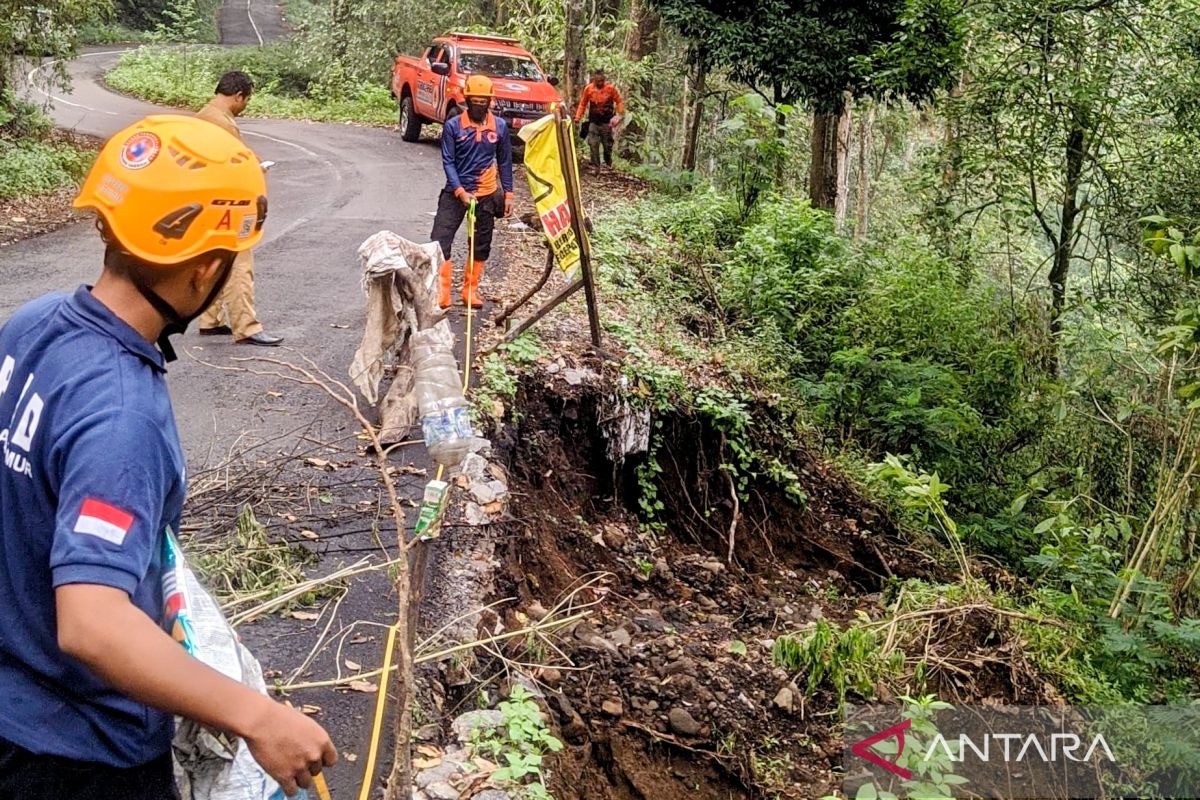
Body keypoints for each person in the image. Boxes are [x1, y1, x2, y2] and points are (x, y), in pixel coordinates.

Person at [0, 115, 335, 798]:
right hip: (78, 755)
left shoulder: (31, 325)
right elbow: (92, 621)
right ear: (206, 268)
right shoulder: (123, 413)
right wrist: (258, 717)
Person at [194, 70, 283, 346]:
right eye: (246, 100)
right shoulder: (223, 123)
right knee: (239, 263)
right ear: (238, 95)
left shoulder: (203, 116)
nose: (246, 106)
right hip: (226, 205)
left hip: (205, 202)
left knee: (215, 259)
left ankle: (210, 319)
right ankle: (246, 326)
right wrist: (256, 171)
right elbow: (233, 165)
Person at [431, 74, 514, 309]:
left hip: (487, 194)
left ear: (490, 101)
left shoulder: (499, 127)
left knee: (481, 244)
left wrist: (508, 194)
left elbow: (505, 161)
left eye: (483, 101)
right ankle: (442, 293)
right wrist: (460, 191)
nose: (479, 105)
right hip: (456, 192)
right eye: (474, 101)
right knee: (440, 240)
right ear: (466, 100)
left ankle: (470, 291)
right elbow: (448, 161)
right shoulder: (453, 126)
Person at [574, 69, 624, 168]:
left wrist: (618, 115)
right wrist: (578, 117)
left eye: (602, 81)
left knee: (607, 145)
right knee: (593, 143)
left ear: (604, 79)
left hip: (607, 122)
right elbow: (583, 104)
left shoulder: (610, 89)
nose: (600, 83)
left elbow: (619, 101)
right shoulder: (588, 89)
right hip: (594, 121)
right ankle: (596, 166)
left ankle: (608, 163)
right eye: (598, 81)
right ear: (594, 80)